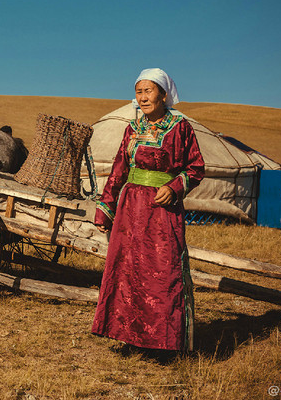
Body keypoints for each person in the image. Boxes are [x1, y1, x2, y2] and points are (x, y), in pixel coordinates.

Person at [91, 68, 205, 354]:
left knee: (164, 274)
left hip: (161, 211)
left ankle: (164, 343)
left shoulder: (181, 127)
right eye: (139, 91)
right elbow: (119, 169)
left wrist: (176, 187)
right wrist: (105, 207)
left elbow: (196, 167)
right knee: (128, 273)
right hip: (131, 210)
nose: (142, 97)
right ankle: (128, 337)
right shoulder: (132, 128)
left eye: (148, 91)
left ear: (164, 95)